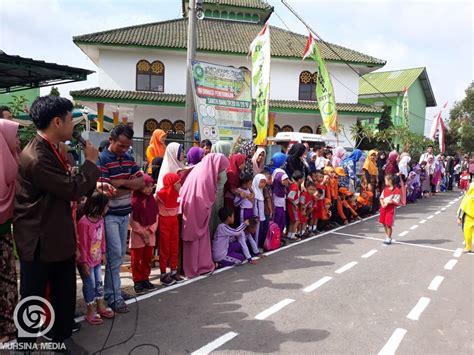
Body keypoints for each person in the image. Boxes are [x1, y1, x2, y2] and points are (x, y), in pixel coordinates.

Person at [14, 96, 100, 345]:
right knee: (32, 298)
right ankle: (25, 347)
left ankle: (62, 343)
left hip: (57, 238)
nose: (74, 125)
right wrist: (91, 163)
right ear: (56, 121)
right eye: (71, 119)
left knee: (63, 297)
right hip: (39, 241)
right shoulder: (37, 157)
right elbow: (71, 189)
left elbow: (65, 190)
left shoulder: (51, 149)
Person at [96, 124, 145, 313]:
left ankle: (112, 291)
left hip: (125, 213)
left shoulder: (128, 158)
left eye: (127, 146)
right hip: (109, 215)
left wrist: (123, 182)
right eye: (121, 145)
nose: (124, 150)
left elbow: (141, 182)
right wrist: (128, 185)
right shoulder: (102, 159)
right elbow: (109, 192)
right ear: (111, 140)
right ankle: (113, 295)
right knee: (115, 254)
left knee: (118, 255)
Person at [180, 153, 230, 278]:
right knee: (195, 239)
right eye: (221, 168)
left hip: (192, 209)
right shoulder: (205, 175)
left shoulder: (201, 168)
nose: (221, 171)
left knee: (199, 239)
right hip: (196, 210)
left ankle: (201, 265)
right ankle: (194, 267)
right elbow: (204, 199)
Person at [77, 192, 115, 325]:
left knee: (99, 283)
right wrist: (84, 262)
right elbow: (82, 244)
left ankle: (100, 305)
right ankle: (90, 310)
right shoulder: (84, 223)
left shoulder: (100, 220)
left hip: (97, 259)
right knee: (89, 285)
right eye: (105, 207)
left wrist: (103, 253)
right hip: (87, 261)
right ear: (96, 207)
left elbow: (102, 237)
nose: (107, 209)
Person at [0, 119, 19, 343]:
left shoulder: (12, 162)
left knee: (6, 280)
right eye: (13, 137)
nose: (16, 141)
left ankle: (7, 325)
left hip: (5, 235)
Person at [129, 174, 159, 294]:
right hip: (138, 235)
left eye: (151, 186)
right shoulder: (133, 201)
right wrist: (142, 232)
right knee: (137, 259)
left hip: (150, 234)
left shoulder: (153, 201)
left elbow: (156, 217)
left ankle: (145, 278)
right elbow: (132, 219)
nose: (149, 189)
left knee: (147, 258)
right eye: (146, 186)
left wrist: (150, 231)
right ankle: (137, 281)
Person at [156, 173, 184, 285]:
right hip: (164, 222)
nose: (180, 184)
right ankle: (163, 273)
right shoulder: (159, 195)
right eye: (177, 183)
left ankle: (173, 270)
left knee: (174, 246)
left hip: (174, 221)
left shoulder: (177, 194)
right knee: (164, 248)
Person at [209, 141, 233, 237]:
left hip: (219, 196)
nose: (229, 153)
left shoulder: (222, 163)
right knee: (213, 219)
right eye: (227, 150)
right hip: (213, 197)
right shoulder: (213, 164)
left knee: (217, 218)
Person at [379, 174, 401, 245]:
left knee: (388, 224)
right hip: (383, 209)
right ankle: (387, 236)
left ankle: (388, 237)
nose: (385, 182)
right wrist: (382, 204)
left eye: (386, 180)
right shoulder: (385, 190)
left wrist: (388, 202)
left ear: (390, 181)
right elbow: (381, 198)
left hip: (390, 210)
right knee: (383, 223)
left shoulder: (396, 190)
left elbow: (396, 200)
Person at [287, 170, 304, 241]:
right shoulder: (295, 187)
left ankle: (290, 234)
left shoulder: (293, 185)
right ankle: (293, 235)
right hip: (293, 205)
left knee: (292, 221)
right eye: (303, 178)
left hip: (291, 205)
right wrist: (295, 205)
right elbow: (289, 198)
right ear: (300, 179)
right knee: (297, 220)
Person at [457, 182, 473, 253]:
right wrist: (459, 218)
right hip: (468, 218)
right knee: (467, 234)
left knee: (468, 234)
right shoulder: (467, 197)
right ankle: (468, 247)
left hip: (468, 218)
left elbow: (462, 208)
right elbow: (462, 208)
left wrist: (459, 218)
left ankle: (468, 247)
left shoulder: (467, 197)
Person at [252, 173, 267, 247]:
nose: (263, 184)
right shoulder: (254, 193)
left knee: (258, 232)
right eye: (261, 182)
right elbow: (254, 206)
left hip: (260, 216)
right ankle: (254, 247)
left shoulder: (260, 191)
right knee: (255, 232)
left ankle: (256, 246)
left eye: (264, 182)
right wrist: (256, 215)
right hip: (256, 217)